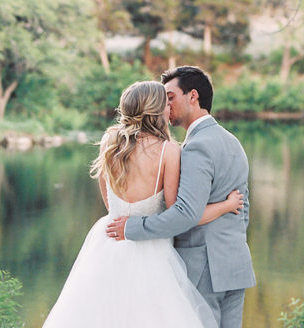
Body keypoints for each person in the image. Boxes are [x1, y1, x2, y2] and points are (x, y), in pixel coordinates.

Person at [40, 79, 243, 328]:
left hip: (108, 243)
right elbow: (178, 213)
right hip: (152, 252)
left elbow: (109, 202)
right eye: (166, 102)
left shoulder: (109, 143)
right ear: (157, 109)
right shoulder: (169, 151)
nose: (170, 107)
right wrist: (226, 205)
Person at [106, 66, 256, 328]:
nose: (166, 105)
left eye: (170, 97)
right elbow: (242, 207)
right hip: (235, 264)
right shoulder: (232, 141)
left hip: (203, 268)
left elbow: (186, 212)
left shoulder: (196, 146)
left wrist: (133, 227)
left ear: (193, 96)